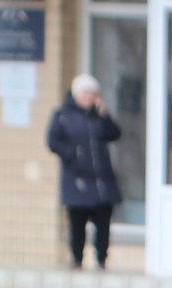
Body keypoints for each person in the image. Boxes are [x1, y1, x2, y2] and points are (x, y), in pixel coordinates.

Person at [47, 75, 124, 271]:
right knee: (77, 223)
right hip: (77, 181)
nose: (91, 97)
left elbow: (115, 134)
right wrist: (73, 155)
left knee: (103, 223)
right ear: (77, 94)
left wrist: (104, 114)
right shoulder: (63, 115)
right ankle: (77, 260)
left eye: (93, 93)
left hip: (101, 181)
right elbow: (53, 142)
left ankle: (101, 261)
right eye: (87, 93)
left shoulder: (98, 116)